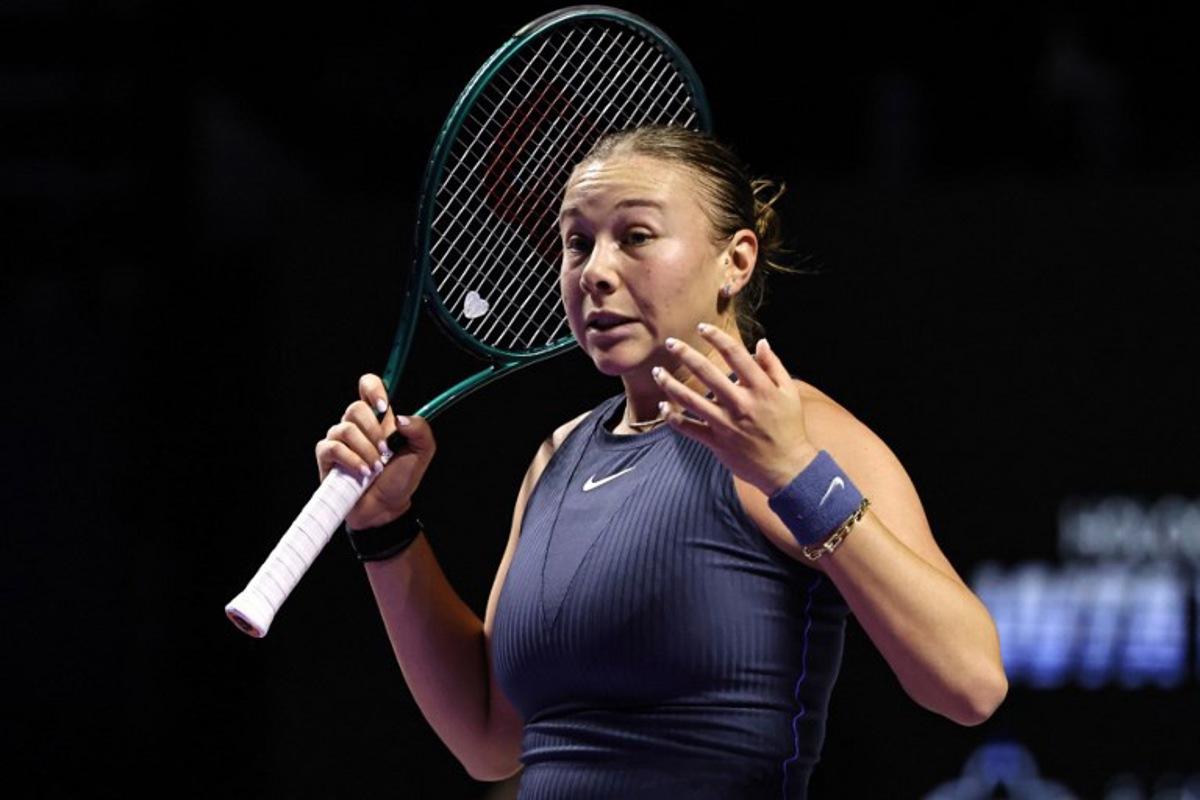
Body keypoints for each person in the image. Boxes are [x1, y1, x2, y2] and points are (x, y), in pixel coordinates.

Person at [315, 125, 1008, 798]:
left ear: (735, 261)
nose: (596, 273)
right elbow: (492, 740)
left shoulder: (808, 431)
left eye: (636, 236)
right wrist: (386, 529)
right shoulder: (557, 457)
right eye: (577, 244)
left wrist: (795, 472)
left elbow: (969, 682)